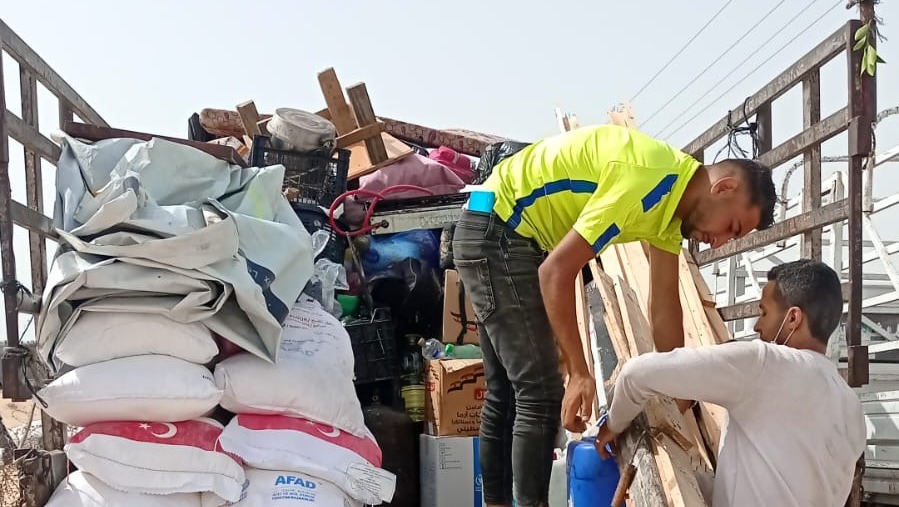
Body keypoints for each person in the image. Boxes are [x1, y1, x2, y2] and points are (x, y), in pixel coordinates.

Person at [451, 124, 777, 507]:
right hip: (500, 231)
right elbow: (555, 272)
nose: (719, 242)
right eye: (731, 228)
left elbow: (665, 306)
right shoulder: (646, 179)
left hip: (493, 224)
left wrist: (678, 386)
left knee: (507, 391)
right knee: (540, 391)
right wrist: (579, 372)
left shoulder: (670, 209)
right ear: (723, 188)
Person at [596, 259, 866, 506]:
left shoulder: (765, 364)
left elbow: (636, 374)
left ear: (793, 318)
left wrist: (613, 425)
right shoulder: (852, 408)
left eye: (764, 312)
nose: (757, 326)